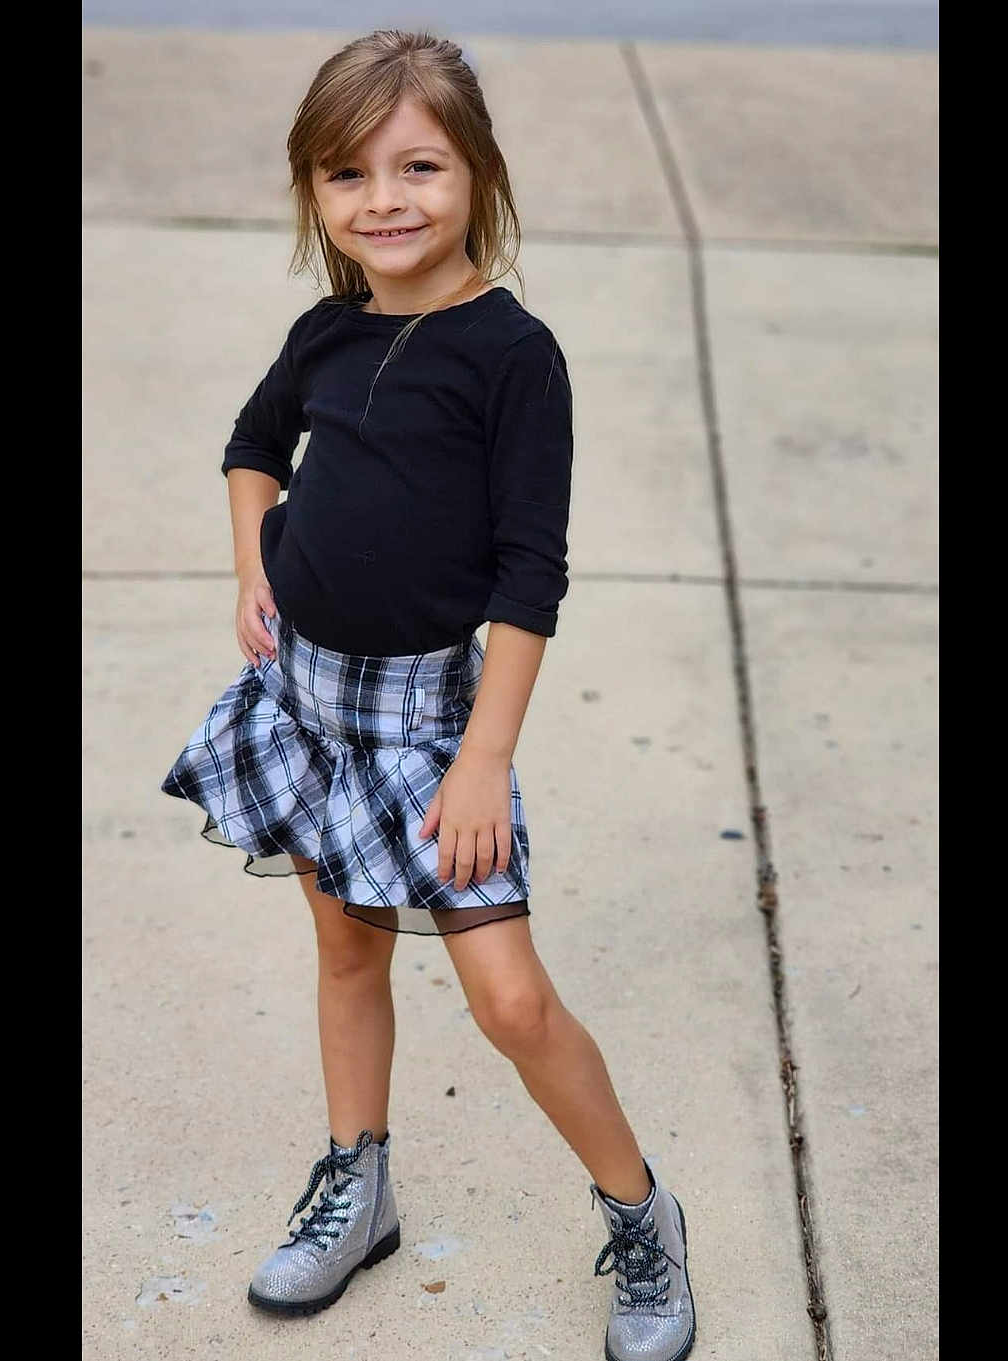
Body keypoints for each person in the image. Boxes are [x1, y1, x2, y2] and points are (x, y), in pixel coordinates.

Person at [159, 29, 695, 1360]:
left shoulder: (512, 355)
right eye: (346, 174)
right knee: (345, 949)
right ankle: (361, 1182)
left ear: (477, 177)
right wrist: (252, 568)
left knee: (507, 998)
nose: (381, 199)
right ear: (315, 196)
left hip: (432, 725)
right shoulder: (328, 328)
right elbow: (248, 448)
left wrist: (480, 758)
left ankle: (640, 1211)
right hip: (308, 699)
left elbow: (530, 575)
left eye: (416, 166)